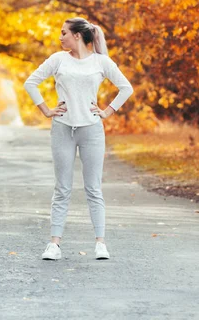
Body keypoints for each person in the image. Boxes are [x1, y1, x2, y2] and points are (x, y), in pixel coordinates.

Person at [23, 17, 134, 260]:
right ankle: (54, 244)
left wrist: (107, 112)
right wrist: (46, 110)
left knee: (93, 188)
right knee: (62, 188)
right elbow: (30, 83)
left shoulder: (101, 61)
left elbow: (126, 87)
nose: (60, 37)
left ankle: (100, 243)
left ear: (77, 35)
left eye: (64, 32)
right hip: (62, 128)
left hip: (92, 131)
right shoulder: (58, 59)